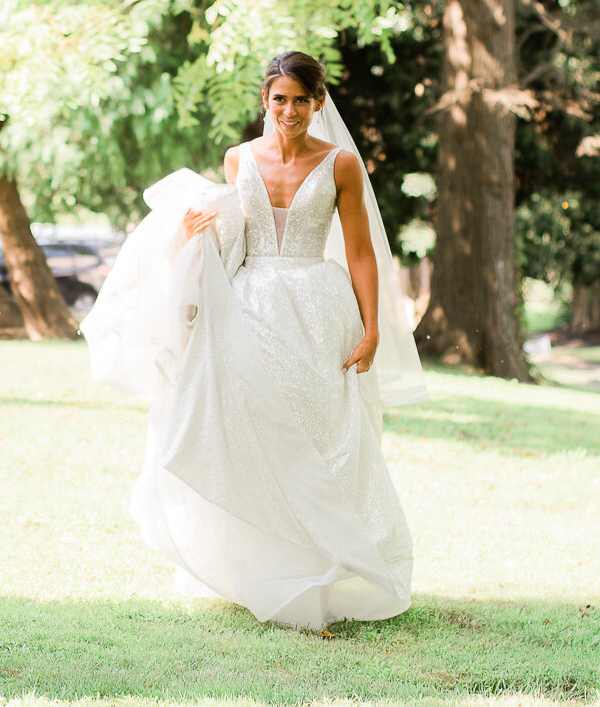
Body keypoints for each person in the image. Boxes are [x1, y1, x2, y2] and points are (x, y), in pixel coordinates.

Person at [82, 51, 426, 630]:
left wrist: (372, 329)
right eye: (278, 99)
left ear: (318, 103)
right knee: (253, 429)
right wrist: (197, 234)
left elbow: (362, 253)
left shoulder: (341, 164)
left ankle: (326, 571)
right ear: (265, 101)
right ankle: (264, 571)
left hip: (317, 308)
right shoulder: (239, 158)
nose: (289, 111)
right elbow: (232, 238)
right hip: (248, 307)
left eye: (300, 100)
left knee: (323, 433)